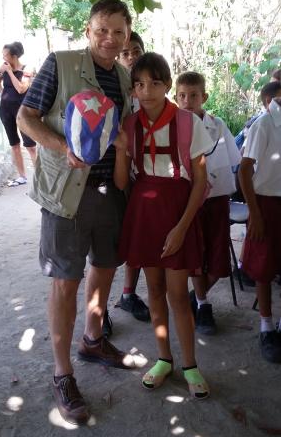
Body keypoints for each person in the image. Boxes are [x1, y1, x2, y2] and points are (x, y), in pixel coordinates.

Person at [17, 0, 137, 425]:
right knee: (66, 281)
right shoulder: (61, 63)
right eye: (102, 29)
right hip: (66, 192)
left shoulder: (125, 78)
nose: (110, 38)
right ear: (88, 30)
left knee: (104, 268)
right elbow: (26, 116)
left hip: (110, 193)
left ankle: (93, 339)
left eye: (118, 31)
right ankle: (62, 373)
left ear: (127, 35)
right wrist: (60, 147)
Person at [116, 53, 213, 398]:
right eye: (139, 84)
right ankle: (163, 359)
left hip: (177, 212)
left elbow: (199, 182)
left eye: (155, 83)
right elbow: (121, 182)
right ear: (133, 89)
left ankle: (190, 365)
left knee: (177, 295)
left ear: (167, 85)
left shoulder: (188, 122)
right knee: (154, 290)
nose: (147, 91)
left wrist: (182, 228)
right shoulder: (129, 125)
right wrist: (120, 150)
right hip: (144, 213)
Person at [175, 71, 241, 334]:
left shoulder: (218, 124)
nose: (187, 101)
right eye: (182, 96)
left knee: (218, 258)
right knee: (195, 255)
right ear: (176, 97)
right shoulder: (174, 127)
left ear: (204, 97)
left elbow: (232, 160)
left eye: (193, 96)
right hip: (190, 201)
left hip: (217, 199)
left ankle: (194, 296)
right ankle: (203, 304)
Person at [103, 31, 150, 331]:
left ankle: (128, 294)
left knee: (138, 239)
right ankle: (100, 311)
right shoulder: (112, 88)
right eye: (126, 52)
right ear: (118, 57)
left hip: (143, 178)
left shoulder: (150, 88)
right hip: (111, 173)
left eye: (136, 50)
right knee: (105, 248)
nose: (131, 56)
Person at [238, 84, 281, 363]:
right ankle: (266, 326)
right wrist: (254, 213)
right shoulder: (265, 123)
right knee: (264, 270)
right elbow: (244, 169)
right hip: (266, 203)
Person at [0, 42, 36, 186]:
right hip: (6, 110)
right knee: (14, 144)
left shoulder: (27, 69)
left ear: (14, 56)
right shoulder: (3, 69)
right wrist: (3, 94)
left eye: (5, 55)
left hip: (23, 111)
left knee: (30, 145)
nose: (3, 57)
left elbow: (21, 89)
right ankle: (22, 176)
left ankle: (40, 177)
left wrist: (10, 72)